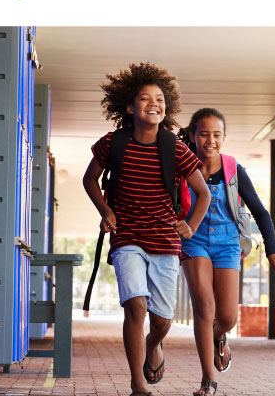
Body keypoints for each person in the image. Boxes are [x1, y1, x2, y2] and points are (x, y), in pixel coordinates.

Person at [81, 63, 211, 396]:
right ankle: (137, 383)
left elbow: (204, 193)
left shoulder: (175, 148)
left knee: (162, 320)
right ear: (129, 106)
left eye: (159, 99)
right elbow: (89, 179)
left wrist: (191, 225)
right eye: (144, 98)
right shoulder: (113, 144)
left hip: (165, 241)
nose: (153, 103)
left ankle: (154, 344)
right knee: (136, 305)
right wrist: (106, 209)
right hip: (127, 237)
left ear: (166, 107)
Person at [177, 108, 275, 396]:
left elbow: (259, 211)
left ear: (224, 138)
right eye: (204, 134)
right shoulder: (181, 166)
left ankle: (219, 335)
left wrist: (273, 250)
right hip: (194, 241)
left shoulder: (232, 169)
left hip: (228, 243)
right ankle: (208, 379)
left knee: (228, 317)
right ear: (192, 136)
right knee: (204, 308)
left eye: (217, 135)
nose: (210, 140)